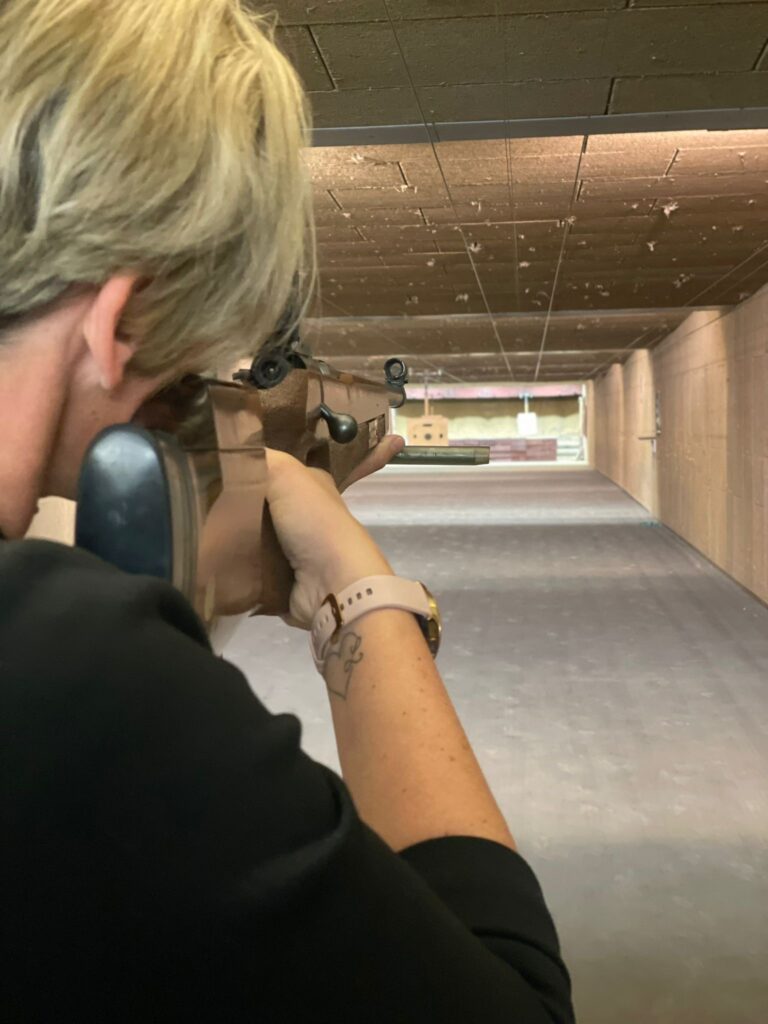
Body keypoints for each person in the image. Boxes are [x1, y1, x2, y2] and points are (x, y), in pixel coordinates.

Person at [0, 1, 574, 1021]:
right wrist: (359, 590)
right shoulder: (66, 676)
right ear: (122, 319)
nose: (187, 397)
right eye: (188, 376)